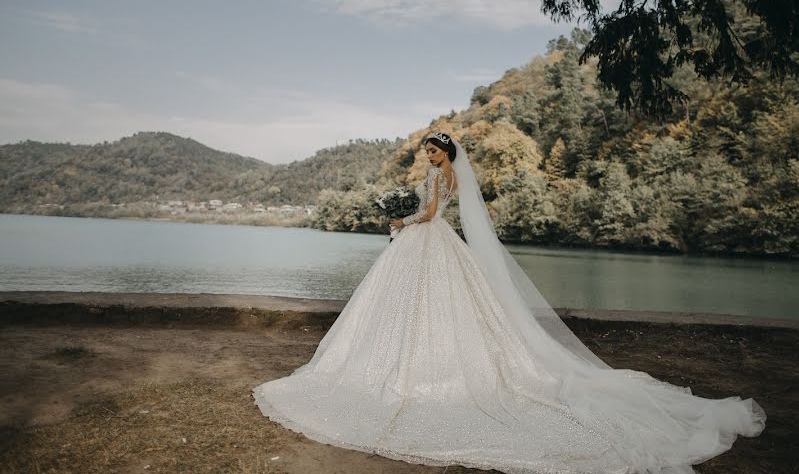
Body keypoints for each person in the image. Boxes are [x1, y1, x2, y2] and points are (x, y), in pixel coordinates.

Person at [252, 131, 766, 474]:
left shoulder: (440, 177)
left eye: (433, 150)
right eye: (427, 151)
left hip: (427, 240)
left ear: (445, 153)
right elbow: (436, 209)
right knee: (425, 306)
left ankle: (414, 368)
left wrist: (401, 221)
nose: (427, 156)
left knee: (424, 303)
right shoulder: (449, 175)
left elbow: (430, 214)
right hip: (434, 243)